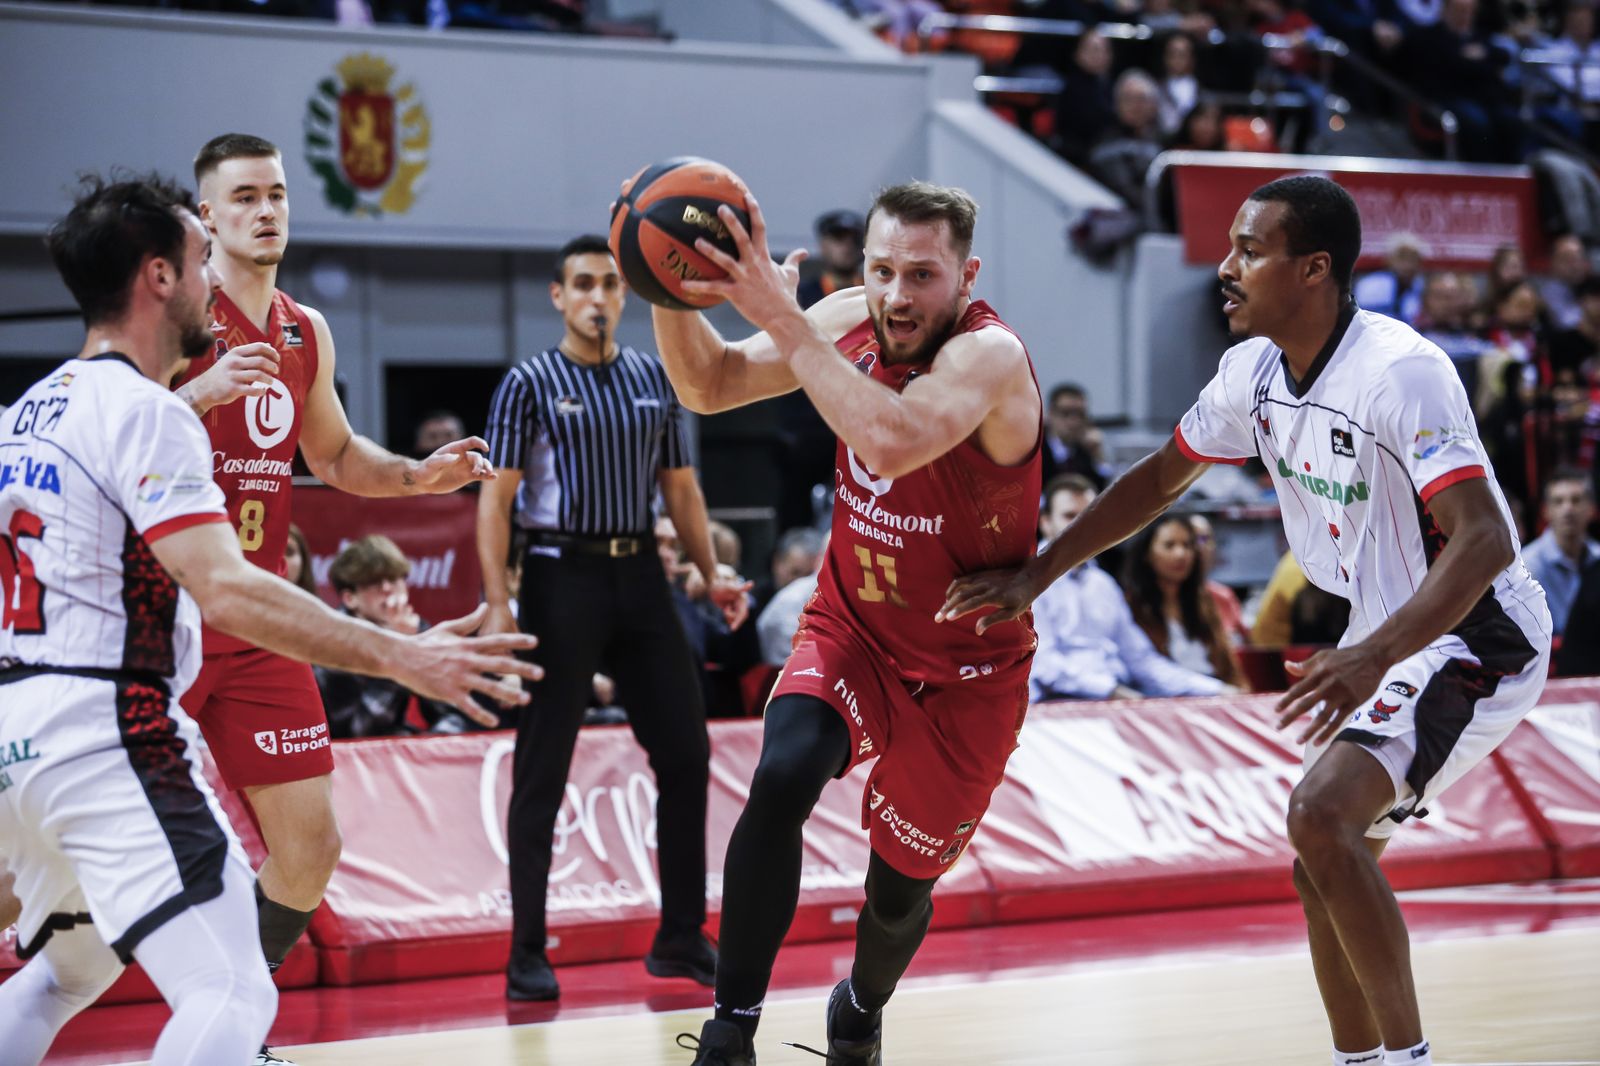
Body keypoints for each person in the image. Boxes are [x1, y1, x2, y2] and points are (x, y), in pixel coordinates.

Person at [942, 175, 1551, 1066]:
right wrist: (1037, 573)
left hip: (1474, 634)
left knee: (1319, 819)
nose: (1224, 269)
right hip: (1388, 635)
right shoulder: (1252, 373)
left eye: (1249, 251)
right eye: (1228, 247)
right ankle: (1362, 1060)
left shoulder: (1402, 371)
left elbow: (1486, 540)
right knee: (1320, 861)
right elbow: (1157, 480)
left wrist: (1373, 654)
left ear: (1314, 270)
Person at [0, 173, 537, 1066]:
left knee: (69, 969)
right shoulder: (151, 412)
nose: (214, 279)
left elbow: (330, 457)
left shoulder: (24, 416)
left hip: (17, 720)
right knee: (232, 990)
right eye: (201, 257)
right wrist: (404, 656)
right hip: (106, 725)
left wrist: (410, 476)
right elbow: (233, 589)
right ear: (161, 275)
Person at [650, 179, 1042, 1066]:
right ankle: (731, 1029)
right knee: (782, 772)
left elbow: (894, 439)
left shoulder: (990, 359)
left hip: (966, 674)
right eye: (881, 271)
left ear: (966, 275)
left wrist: (781, 320)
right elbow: (708, 385)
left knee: (897, 896)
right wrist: (668, 292)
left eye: (922, 275)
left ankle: (860, 1008)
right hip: (854, 627)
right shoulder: (843, 317)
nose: (898, 295)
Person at [172, 132, 498, 1066]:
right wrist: (197, 394)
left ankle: (234, 1026)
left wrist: (421, 477)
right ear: (207, 217)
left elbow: (338, 458)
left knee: (310, 853)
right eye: (242, 198)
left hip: (264, 615)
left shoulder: (304, 330)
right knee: (44, 871)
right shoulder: (175, 317)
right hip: (169, 614)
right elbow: (108, 425)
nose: (265, 210)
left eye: (275, 193)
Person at [478, 234, 750, 1002]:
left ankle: (679, 936)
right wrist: (500, 599)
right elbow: (495, 502)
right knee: (543, 767)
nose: (599, 297)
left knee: (687, 753)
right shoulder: (528, 383)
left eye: (611, 284)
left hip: (639, 575)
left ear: (625, 297)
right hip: (560, 577)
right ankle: (527, 949)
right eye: (584, 284)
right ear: (559, 297)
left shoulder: (652, 379)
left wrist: (709, 575)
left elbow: (684, 492)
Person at [1031, 475, 1231, 700]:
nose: (1080, 525)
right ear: (1045, 522)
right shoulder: (1028, 584)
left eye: (1089, 516)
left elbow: (1142, 661)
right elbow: (1043, 667)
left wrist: (1215, 690)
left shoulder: (1103, 584)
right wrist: (1112, 692)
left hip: (1115, 697)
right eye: (1070, 516)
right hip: (1059, 706)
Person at [314, 535, 481, 737]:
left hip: (397, 752)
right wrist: (397, 654)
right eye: (373, 582)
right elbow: (357, 732)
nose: (387, 588)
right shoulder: (332, 641)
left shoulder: (416, 630)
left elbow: (453, 713)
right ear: (350, 599)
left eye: (394, 578)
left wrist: (431, 749)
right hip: (341, 757)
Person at [1120, 515, 1246, 685]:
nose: (1181, 554)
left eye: (1187, 545)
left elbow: (1229, 666)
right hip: (1163, 700)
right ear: (1146, 554)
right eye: (1169, 545)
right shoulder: (1130, 606)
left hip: (1218, 694)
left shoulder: (1204, 600)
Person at [1522, 469, 1599, 635]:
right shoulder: (1527, 566)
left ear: (1592, 509)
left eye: (1576, 500)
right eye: (1558, 501)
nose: (1568, 509)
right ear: (1546, 511)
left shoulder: (1597, 557)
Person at [1189, 513, 1249, 644]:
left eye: (1205, 539)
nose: (1200, 547)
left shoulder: (1223, 596)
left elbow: (1246, 643)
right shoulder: (1162, 599)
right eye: (1192, 540)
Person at [1040, 382, 1111, 490]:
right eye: (1066, 413)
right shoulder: (1036, 449)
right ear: (1050, 414)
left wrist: (1098, 457)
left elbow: (1102, 493)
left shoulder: (1086, 450)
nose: (1074, 422)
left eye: (1080, 414)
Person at [797, 210, 865, 310]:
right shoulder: (802, 295)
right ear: (822, 245)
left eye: (856, 239)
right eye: (838, 237)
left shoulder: (875, 292)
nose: (848, 246)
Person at [284, 523, 316, 596]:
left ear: (304, 561)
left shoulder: (315, 607)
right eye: (272, 551)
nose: (281, 560)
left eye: (289, 551)